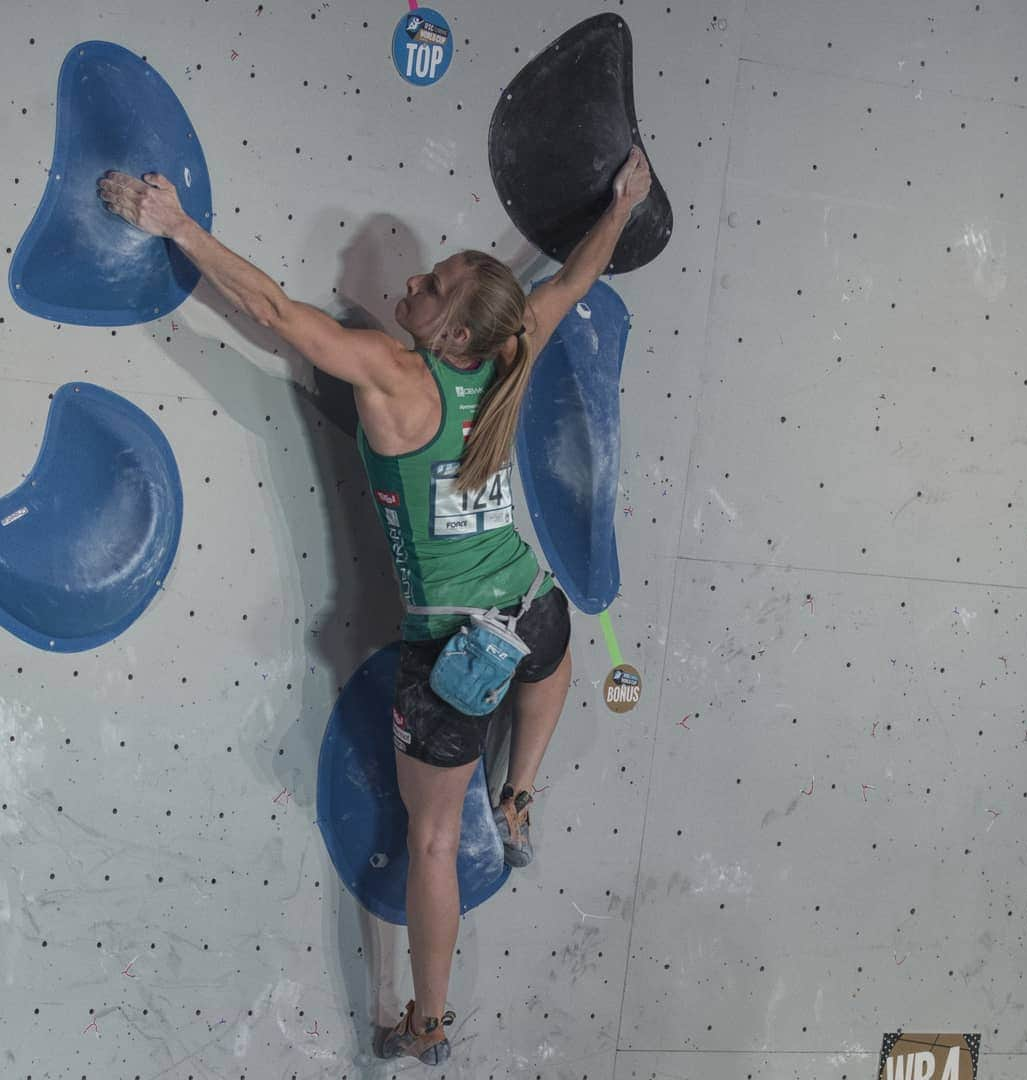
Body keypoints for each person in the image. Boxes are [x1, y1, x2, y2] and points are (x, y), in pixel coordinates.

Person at [98, 145, 652, 1065]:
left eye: (432, 284)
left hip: (450, 660)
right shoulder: (513, 349)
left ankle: (428, 1024)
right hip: (532, 605)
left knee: (433, 842)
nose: (415, 280)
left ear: (455, 339)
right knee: (552, 660)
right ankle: (518, 795)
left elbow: (273, 312)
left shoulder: (398, 376)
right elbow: (572, 278)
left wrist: (177, 227)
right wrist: (622, 202)